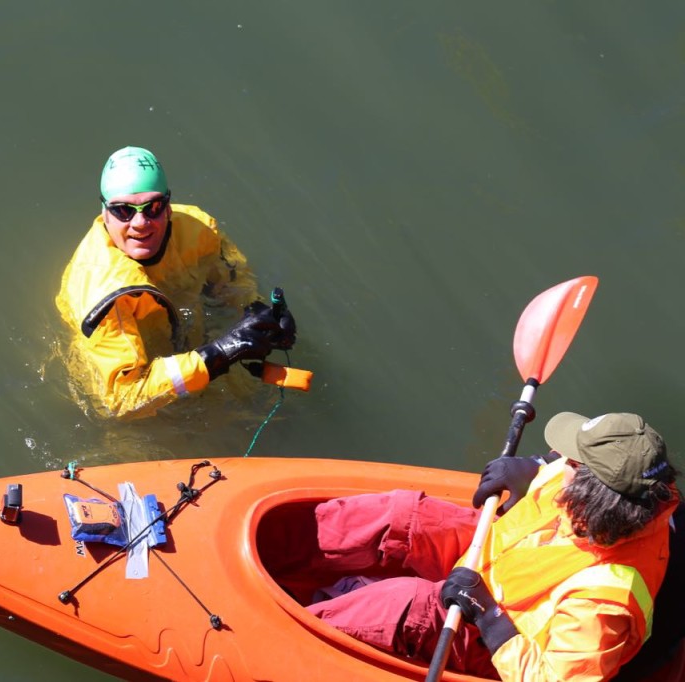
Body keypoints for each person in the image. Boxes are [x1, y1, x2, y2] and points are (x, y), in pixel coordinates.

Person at [305, 411, 680, 681]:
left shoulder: (604, 603)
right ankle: (292, 565)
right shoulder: (614, 491)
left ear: (587, 491)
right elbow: (561, 465)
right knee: (400, 515)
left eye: (568, 459)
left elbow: (554, 678)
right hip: (494, 562)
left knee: (410, 605)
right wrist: (532, 467)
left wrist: (487, 615)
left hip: (505, 641)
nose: (558, 459)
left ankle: (304, 628)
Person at [55, 146, 296, 418]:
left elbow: (232, 280)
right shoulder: (103, 293)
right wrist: (218, 353)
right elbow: (121, 401)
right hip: (134, 396)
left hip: (188, 344)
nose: (140, 223)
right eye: (123, 211)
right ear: (105, 213)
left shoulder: (198, 229)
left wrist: (259, 314)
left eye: (153, 207)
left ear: (168, 207)